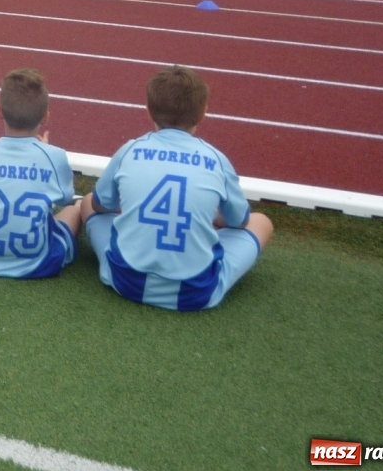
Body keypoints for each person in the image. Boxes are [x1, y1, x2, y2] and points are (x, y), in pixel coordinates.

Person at [82, 66, 274, 311]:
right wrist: (212, 217)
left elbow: (101, 205)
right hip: (195, 293)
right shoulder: (216, 159)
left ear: (149, 110)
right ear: (203, 113)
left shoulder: (130, 149)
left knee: (88, 201)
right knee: (261, 221)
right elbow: (239, 221)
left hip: (126, 282)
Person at [0, 69, 87, 279]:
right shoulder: (55, 156)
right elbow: (65, 197)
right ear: (45, 117)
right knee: (75, 209)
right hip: (38, 263)